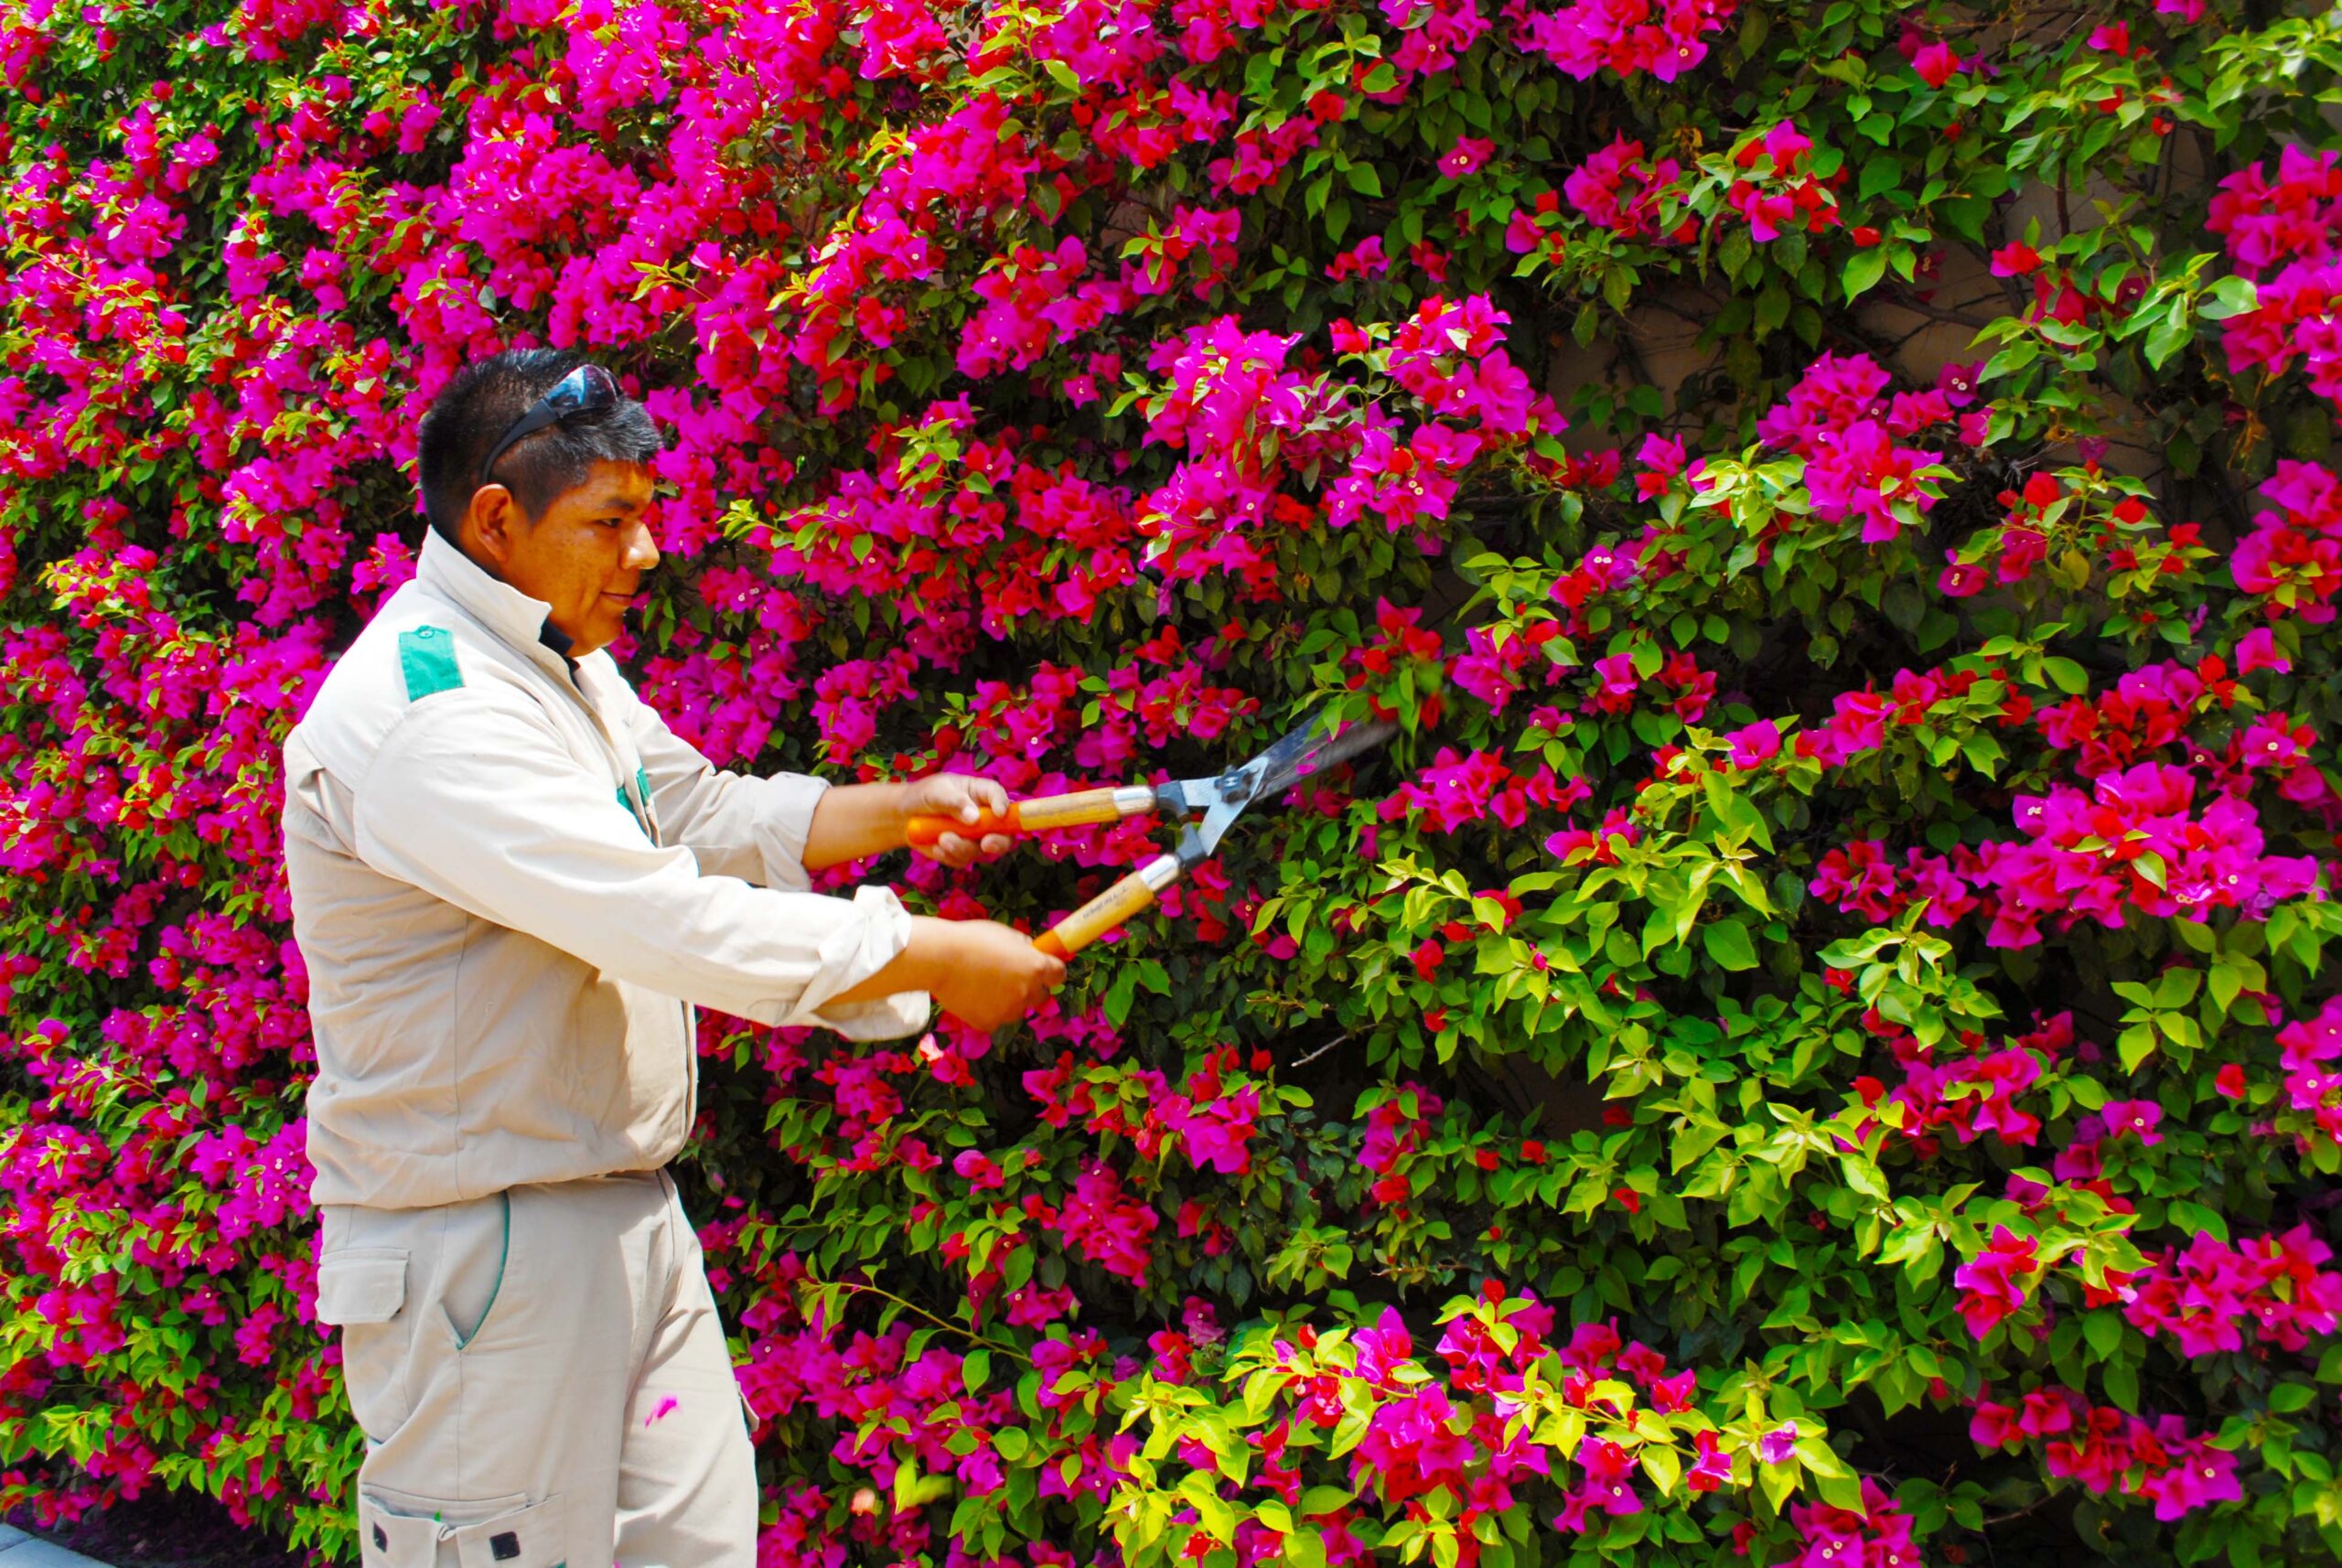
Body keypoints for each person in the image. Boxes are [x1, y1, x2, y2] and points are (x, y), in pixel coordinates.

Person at [279, 349, 1066, 1568]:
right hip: (484, 1251)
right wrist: (926, 951)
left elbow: (691, 810)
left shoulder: (554, 663)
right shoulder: (430, 715)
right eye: (613, 520)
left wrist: (896, 807)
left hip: (619, 1216)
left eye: (647, 515)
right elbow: (662, 916)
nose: (647, 553)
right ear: (499, 520)